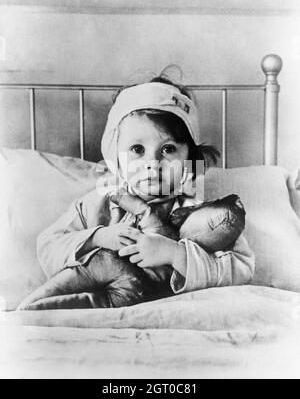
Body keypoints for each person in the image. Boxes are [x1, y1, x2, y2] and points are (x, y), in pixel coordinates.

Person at [17, 76, 255, 310]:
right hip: (107, 311)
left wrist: (175, 254)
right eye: (137, 149)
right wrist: (99, 237)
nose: (153, 162)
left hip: (171, 316)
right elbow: (49, 247)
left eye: (169, 149)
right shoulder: (99, 203)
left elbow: (241, 269)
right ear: (114, 155)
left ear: (189, 159)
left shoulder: (200, 209)